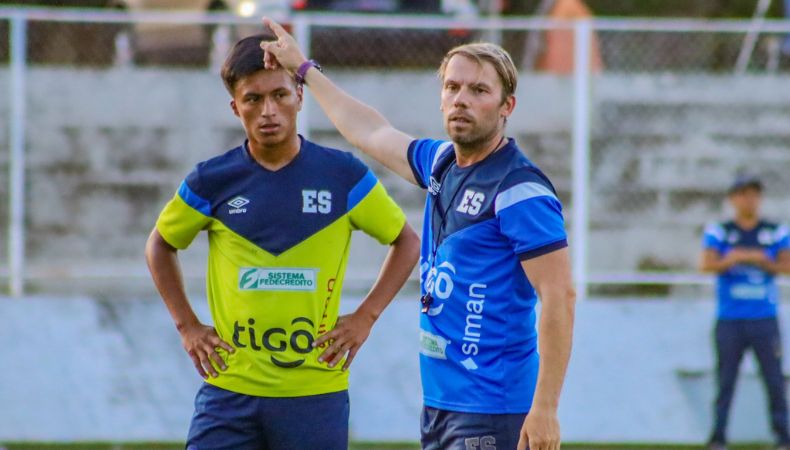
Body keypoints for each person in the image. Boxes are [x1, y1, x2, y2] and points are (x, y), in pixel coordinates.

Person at [261, 18, 576, 450]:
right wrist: (303, 70)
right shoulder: (441, 162)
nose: (461, 99)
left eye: (479, 90)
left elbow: (560, 296)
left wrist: (545, 409)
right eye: (452, 87)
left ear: (507, 106)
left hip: (495, 406)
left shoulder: (520, 190)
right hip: (441, 404)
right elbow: (370, 131)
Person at [144, 33, 419, 450]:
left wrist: (366, 316)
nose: (268, 111)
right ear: (235, 108)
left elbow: (406, 242)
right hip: (230, 389)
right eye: (253, 99)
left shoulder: (343, 175)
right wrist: (187, 326)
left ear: (300, 97)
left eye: (280, 95)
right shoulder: (212, 180)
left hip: (315, 392)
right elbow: (160, 245)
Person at [700, 175, 790, 450]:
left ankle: (783, 437)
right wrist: (733, 259)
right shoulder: (720, 231)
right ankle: (718, 437)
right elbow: (706, 265)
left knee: (774, 380)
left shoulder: (775, 231)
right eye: (742, 194)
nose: (748, 200)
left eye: (753, 194)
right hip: (730, 319)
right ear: (732, 199)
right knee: (725, 380)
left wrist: (762, 261)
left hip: (764, 319)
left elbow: (786, 266)